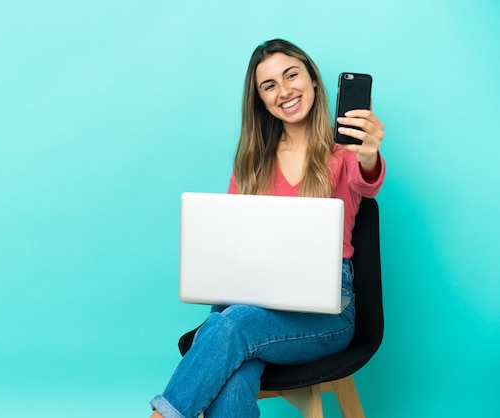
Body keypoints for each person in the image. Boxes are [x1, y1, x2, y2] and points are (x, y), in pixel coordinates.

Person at [150, 38, 386, 418]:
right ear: (260, 100)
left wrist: (370, 152)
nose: (284, 91)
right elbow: (229, 244)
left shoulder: (345, 154)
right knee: (236, 370)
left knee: (232, 327)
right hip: (249, 303)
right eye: (269, 85)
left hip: (326, 316)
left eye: (291, 75)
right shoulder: (251, 163)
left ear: (312, 79)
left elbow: (368, 182)